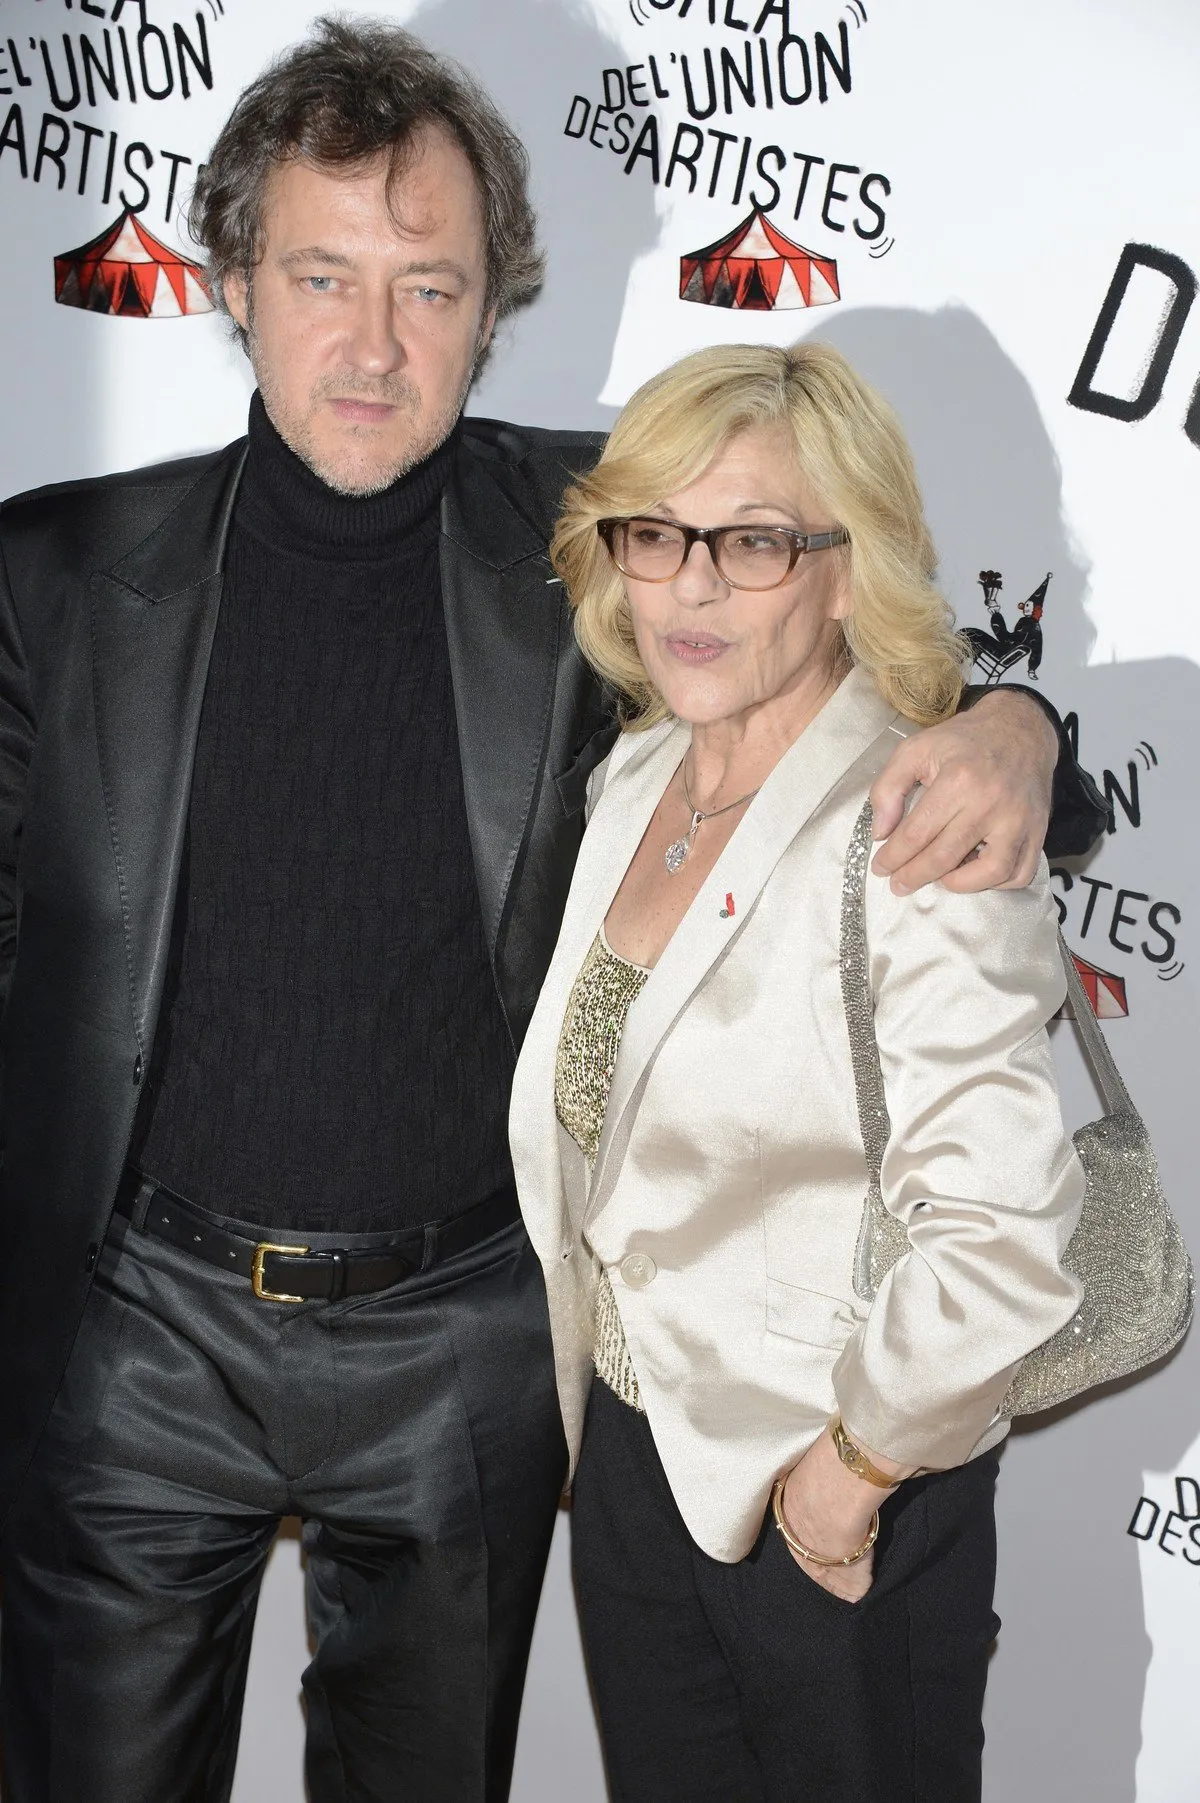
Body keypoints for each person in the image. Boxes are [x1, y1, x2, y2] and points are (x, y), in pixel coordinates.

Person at [0, 17, 1101, 1803]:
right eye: (323, 276)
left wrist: (1020, 721)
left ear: (493, 302)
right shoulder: (50, 573)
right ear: (232, 282)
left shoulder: (599, 539)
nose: (372, 344)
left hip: (467, 1341)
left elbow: (837, 628)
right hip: (143, 1338)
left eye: (427, 286)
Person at [509, 340, 1088, 1803]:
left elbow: (1007, 1240)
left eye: (753, 540)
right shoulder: (633, 776)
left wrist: (845, 1478)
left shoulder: (916, 821)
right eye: (657, 533)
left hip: (832, 1487)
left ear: (846, 567)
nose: (691, 585)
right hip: (638, 1465)